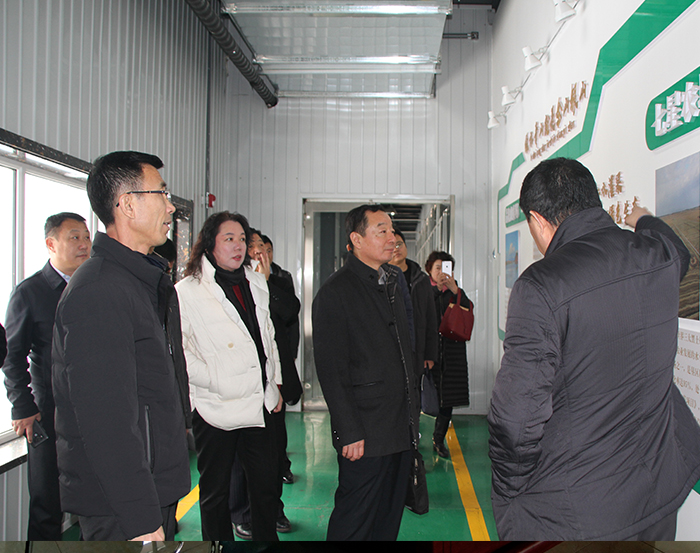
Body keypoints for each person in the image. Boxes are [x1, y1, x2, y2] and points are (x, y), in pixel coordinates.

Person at [488, 157, 700, 540]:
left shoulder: (541, 285)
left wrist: (508, 490)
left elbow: (516, 418)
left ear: (537, 220)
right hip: (658, 492)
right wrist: (643, 219)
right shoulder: (659, 255)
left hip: (581, 511)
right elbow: (679, 251)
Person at [51, 151, 191, 541]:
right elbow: (106, 422)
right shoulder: (100, 291)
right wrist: (140, 518)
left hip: (150, 485)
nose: (170, 207)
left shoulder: (138, 281)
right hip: (123, 505)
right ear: (128, 205)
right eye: (162, 194)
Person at [312, 204, 417, 541]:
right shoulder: (336, 292)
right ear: (357, 240)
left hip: (399, 425)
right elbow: (332, 370)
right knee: (354, 520)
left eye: (392, 230)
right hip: (366, 432)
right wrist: (349, 431)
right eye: (381, 231)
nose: (392, 238)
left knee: (388, 517)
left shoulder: (392, 282)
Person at [176, 212, 283, 541]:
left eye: (242, 239)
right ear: (210, 244)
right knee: (215, 493)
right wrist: (215, 379)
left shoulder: (256, 282)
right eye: (229, 239)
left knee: (265, 488)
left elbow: (268, 336)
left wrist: (274, 385)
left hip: (258, 402)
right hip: (215, 407)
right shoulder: (187, 291)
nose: (238, 246)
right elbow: (180, 352)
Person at [2, 212, 91, 539]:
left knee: (93, 502)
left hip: (91, 412)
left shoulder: (93, 288)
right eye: (74, 237)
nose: (84, 244)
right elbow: (12, 356)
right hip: (48, 416)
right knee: (47, 504)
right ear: (51, 244)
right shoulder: (30, 292)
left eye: (86, 237)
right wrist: (23, 407)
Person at [228, 228, 300, 539]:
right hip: (240, 383)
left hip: (273, 383)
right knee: (240, 454)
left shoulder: (277, 280)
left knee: (273, 451)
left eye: (262, 246)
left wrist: (265, 281)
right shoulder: (229, 282)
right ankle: (242, 513)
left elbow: (290, 312)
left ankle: (274, 510)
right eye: (251, 245)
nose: (258, 251)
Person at [425, 250, 472, 458]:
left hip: (453, 353)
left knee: (448, 398)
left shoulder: (455, 293)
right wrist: (437, 291)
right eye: (438, 268)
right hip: (430, 354)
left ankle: (438, 439)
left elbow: (467, 313)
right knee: (427, 394)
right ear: (429, 270)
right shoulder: (424, 291)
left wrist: (455, 291)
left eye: (446, 268)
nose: (442, 272)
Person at [389, 229, 439, 416]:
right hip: (391, 351)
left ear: (406, 247)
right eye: (392, 245)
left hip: (416, 350)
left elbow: (431, 318)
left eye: (399, 244)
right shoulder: (381, 278)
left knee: (414, 396)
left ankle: (413, 431)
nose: (396, 249)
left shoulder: (421, 279)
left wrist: (430, 355)